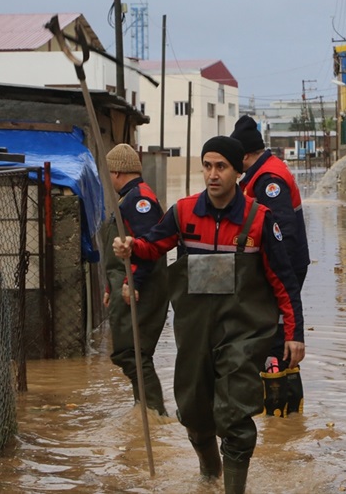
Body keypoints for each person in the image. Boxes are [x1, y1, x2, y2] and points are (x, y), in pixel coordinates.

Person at [113, 136, 305, 494]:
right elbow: (154, 244)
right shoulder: (184, 212)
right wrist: (131, 247)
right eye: (207, 165)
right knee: (194, 411)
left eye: (221, 167)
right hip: (195, 330)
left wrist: (293, 331)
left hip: (244, 332)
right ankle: (208, 476)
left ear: (237, 172)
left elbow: (284, 280)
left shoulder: (259, 219)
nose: (212, 174)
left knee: (234, 412)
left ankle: (234, 488)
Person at [230, 115, 310, 417]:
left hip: (282, 269)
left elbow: (282, 233)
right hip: (284, 269)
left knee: (274, 340)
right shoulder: (266, 172)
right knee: (280, 336)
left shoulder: (268, 180)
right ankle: (290, 417)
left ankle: (279, 418)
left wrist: (277, 281)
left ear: (246, 155)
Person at [99, 143, 170, 416]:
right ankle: (144, 410)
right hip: (124, 284)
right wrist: (109, 287)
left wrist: (133, 284)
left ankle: (154, 415)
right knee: (131, 353)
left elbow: (147, 247)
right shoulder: (128, 197)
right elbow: (119, 250)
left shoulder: (139, 200)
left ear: (116, 171)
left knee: (134, 353)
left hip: (141, 286)